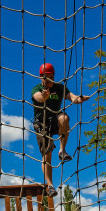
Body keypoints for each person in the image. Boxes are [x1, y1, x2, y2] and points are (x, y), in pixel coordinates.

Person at [31, 63, 90, 197]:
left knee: (64, 118)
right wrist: (44, 96)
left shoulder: (59, 87)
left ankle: (62, 150)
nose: (48, 80)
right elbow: (38, 97)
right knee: (47, 155)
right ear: (41, 77)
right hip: (42, 124)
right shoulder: (37, 88)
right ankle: (50, 185)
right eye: (45, 78)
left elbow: (72, 97)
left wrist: (79, 99)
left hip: (55, 120)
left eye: (51, 77)